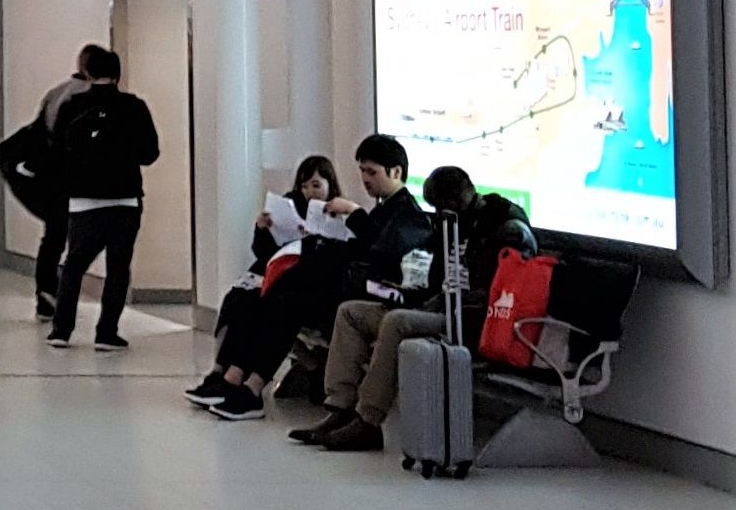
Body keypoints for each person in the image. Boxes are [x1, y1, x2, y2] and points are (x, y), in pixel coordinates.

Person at [293, 165, 537, 451]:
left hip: (473, 320)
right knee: (351, 313)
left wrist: (456, 293)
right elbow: (433, 274)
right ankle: (341, 408)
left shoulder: (504, 228)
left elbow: (505, 293)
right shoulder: (449, 227)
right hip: (438, 306)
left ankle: (368, 419)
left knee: (396, 322)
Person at [191, 134, 427, 421]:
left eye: (372, 172)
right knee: (261, 295)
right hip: (345, 286)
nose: (366, 179)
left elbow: (381, 252)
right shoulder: (382, 210)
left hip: (365, 293)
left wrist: (352, 215)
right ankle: (236, 376)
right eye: (362, 171)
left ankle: (250, 385)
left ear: (396, 172)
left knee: (287, 302)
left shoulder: (408, 215)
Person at [42, 46, 160, 350]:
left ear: (87, 74)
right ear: (118, 75)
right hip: (125, 200)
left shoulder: (73, 106)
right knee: (118, 268)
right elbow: (150, 154)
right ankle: (106, 332)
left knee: (74, 266)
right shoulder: (134, 107)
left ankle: (61, 330)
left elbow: (55, 152)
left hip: (83, 200)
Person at [203, 155, 347, 371]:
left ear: (330, 185)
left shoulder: (340, 216)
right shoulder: (292, 207)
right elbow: (263, 253)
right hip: (280, 276)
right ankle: (221, 371)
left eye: (316, 185)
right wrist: (263, 229)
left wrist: (313, 242)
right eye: (304, 186)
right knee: (239, 299)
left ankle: (236, 373)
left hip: (306, 287)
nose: (309, 192)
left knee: (257, 302)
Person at [12, 45, 103, 318]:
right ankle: (62, 300)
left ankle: (45, 294)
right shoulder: (86, 97)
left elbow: (41, 132)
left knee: (53, 238)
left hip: (52, 178)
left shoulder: (56, 93)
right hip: (77, 179)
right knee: (79, 242)